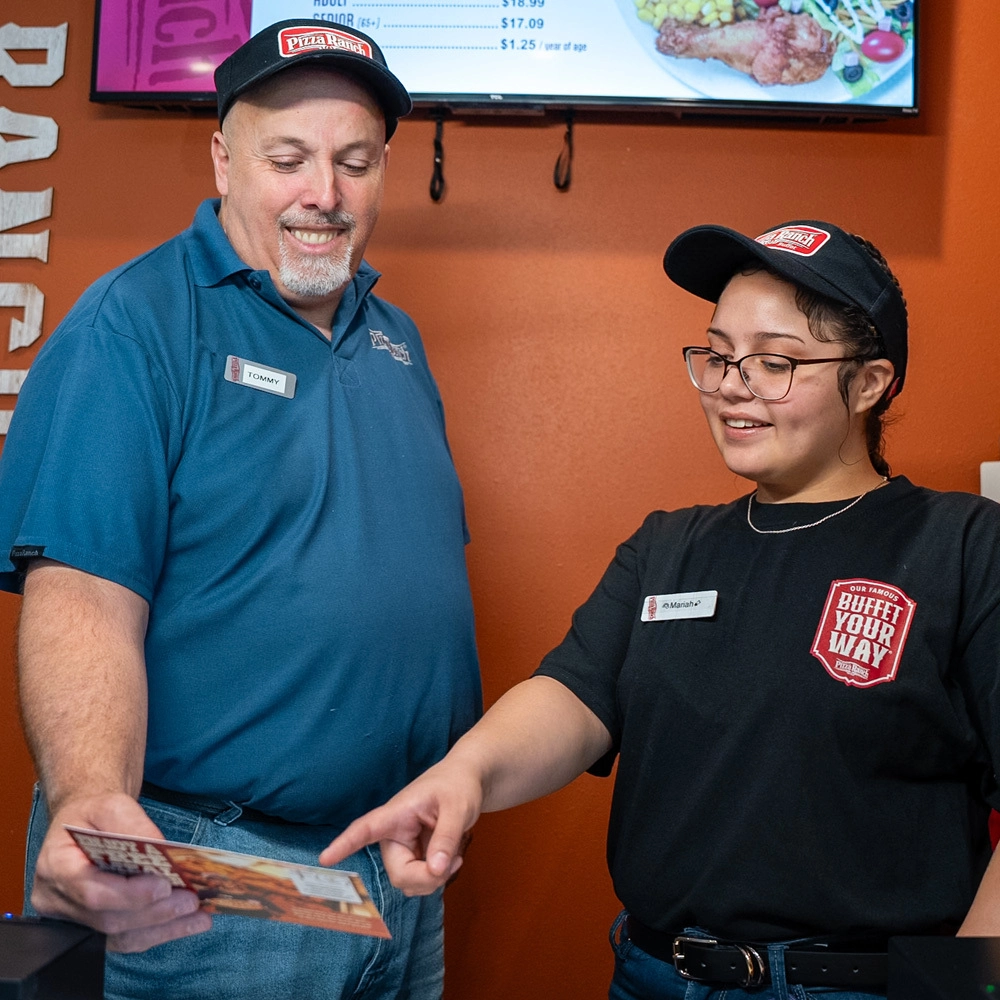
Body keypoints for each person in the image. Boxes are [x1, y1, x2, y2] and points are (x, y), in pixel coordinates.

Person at [321, 220, 1000, 1000]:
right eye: (717, 355)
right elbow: (572, 696)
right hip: (653, 977)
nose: (732, 385)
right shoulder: (669, 546)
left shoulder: (965, 546)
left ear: (871, 383)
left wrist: (968, 988)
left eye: (775, 362)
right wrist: (463, 776)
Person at [0, 18, 481, 1000]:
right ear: (224, 155)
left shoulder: (398, 341)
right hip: (214, 882)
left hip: (392, 871)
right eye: (289, 158)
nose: (325, 194)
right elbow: (83, 593)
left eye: (355, 161)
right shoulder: (133, 324)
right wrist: (92, 794)